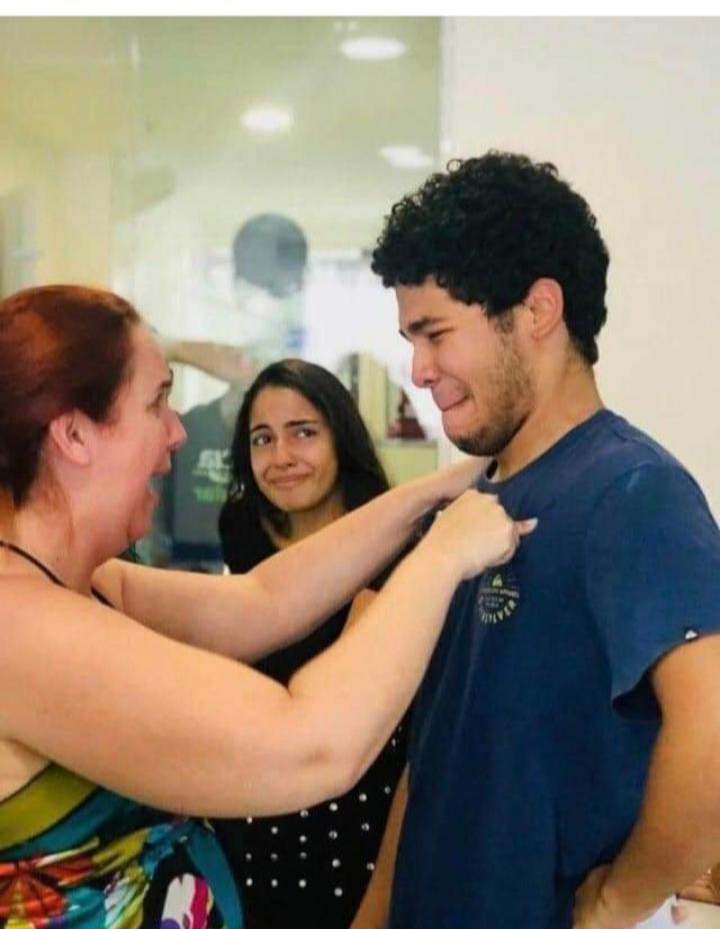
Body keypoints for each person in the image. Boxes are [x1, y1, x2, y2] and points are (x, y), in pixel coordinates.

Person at [0, 284, 531, 929]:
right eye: (157, 403)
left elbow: (260, 603)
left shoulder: (90, 581)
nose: (177, 434)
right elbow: (310, 744)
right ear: (76, 434)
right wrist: (443, 558)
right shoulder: (17, 625)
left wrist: (442, 489)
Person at [369, 152, 720, 929]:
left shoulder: (631, 491)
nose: (419, 371)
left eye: (436, 333)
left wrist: (619, 900)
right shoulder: (466, 508)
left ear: (536, 311)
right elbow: (432, 753)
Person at [215, 358, 407, 928]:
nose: (282, 458)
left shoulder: (392, 540)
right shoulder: (243, 529)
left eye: (303, 432)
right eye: (262, 438)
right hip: (250, 814)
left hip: (357, 813)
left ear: (340, 438)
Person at [156, 213, 308, 569]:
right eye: (258, 288)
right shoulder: (188, 434)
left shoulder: (320, 431)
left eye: (280, 289)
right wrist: (178, 349)